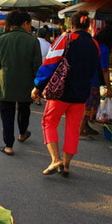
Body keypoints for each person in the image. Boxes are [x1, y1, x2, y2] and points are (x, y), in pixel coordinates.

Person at [32, 10, 100, 177]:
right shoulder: (94, 44)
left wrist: (38, 86)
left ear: (72, 24)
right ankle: (67, 165)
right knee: (72, 129)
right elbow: (94, 71)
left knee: (49, 122)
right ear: (89, 25)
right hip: (82, 94)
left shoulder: (66, 38)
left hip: (60, 92)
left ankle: (56, 160)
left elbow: (50, 63)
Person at [0, 11, 42, 155]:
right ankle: (22, 133)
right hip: (26, 84)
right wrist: (38, 85)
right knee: (24, 110)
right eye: (30, 24)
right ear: (25, 23)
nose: (30, 27)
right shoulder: (33, 41)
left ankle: (8, 145)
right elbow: (37, 65)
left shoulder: (2, 39)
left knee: (7, 114)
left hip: (6, 83)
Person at [80, 20, 112, 139]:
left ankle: (86, 127)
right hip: (93, 80)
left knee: (87, 105)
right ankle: (80, 131)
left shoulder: (94, 43)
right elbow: (105, 70)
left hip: (85, 77)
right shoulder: (104, 49)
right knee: (89, 106)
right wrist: (109, 88)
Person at [34, 28, 51, 106]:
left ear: (37, 34)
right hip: (44, 64)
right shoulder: (48, 45)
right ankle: (38, 100)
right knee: (41, 82)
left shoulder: (33, 42)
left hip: (34, 63)